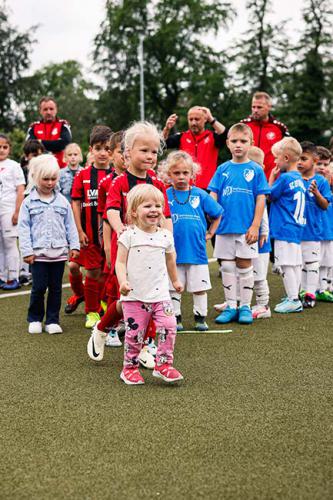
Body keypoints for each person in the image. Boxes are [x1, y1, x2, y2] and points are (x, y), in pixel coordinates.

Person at [87, 121, 172, 368]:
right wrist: (121, 229)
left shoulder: (157, 182)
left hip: (153, 250)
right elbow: (111, 210)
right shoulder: (120, 182)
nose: (149, 156)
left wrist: (169, 240)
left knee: (154, 295)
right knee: (126, 301)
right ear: (127, 153)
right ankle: (101, 329)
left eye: (154, 151)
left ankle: (146, 345)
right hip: (127, 249)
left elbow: (165, 215)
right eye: (143, 150)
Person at [116, 184, 184, 385]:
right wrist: (123, 282)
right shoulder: (128, 235)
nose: (154, 210)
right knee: (135, 334)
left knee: (169, 326)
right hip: (134, 296)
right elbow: (120, 262)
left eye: (158, 205)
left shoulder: (165, 235)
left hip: (161, 294)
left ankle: (163, 365)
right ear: (134, 211)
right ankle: (129, 368)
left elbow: (171, 260)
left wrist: (175, 280)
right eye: (148, 206)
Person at [208, 123, 270, 325]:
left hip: (246, 228)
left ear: (250, 143)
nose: (238, 145)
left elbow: (261, 199)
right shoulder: (222, 169)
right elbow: (213, 193)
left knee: (244, 265)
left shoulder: (256, 170)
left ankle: (245, 306)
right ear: (227, 143)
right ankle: (231, 305)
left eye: (243, 141)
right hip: (225, 228)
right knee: (226, 266)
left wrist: (255, 225)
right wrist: (211, 212)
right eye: (234, 141)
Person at [18, 155, 79, 334]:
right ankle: (35, 318)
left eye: (54, 178)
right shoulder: (28, 202)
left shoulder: (62, 202)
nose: (50, 182)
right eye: (46, 179)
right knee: (38, 288)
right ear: (35, 177)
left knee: (56, 288)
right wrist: (27, 251)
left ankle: (52, 320)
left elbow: (70, 225)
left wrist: (74, 246)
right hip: (38, 254)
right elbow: (23, 228)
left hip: (59, 253)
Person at [165, 151, 222, 331]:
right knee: (174, 287)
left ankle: (200, 318)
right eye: (176, 173)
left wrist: (211, 232)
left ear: (192, 174)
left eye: (185, 173)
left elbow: (218, 213)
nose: (181, 177)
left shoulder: (200, 194)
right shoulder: (165, 194)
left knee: (199, 287)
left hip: (196, 250)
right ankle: (176, 318)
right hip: (173, 252)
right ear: (169, 174)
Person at [71, 125, 113, 328]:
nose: (103, 153)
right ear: (90, 150)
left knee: (111, 272)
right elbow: (76, 202)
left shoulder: (117, 175)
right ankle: (92, 312)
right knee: (93, 272)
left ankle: (105, 302)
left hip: (112, 235)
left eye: (107, 148)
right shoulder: (83, 175)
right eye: (98, 148)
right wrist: (79, 230)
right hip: (90, 235)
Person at [268, 137, 306, 314]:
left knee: (286, 265)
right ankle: (294, 295)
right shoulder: (299, 178)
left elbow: (269, 195)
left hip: (284, 227)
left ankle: (293, 299)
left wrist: (271, 178)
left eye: (276, 158)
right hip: (296, 228)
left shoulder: (284, 179)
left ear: (285, 158)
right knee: (295, 264)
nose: (274, 161)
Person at [298, 142, 331, 308]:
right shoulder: (293, 178)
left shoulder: (321, 181)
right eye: (298, 158)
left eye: (304, 158)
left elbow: (325, 205)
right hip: (295, 231)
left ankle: (311, 293)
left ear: (314, 160)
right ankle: (299, 292)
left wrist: (316, 192)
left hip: (313, 230)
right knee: (298, 263)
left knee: (312, 263)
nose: (299, 162)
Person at [162, 106, 226, 189]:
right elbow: (161, 145)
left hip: (208, 188)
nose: (193, 123)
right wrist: (167, 129)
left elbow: (225, 135)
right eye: (191, 119)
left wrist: (211, 119)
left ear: (205, 120)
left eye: (197, 119)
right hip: (185, 187)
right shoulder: (182, 137)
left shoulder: (212, 137)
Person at [241, 91, 289, 180]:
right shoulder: (243, 125)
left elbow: (289, 153)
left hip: (271, 178)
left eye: (259, 107)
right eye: (253, 107)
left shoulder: (280, 128)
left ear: (269, 107)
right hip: (246, 176)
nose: (255, 110)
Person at [0, 134, 25, 290]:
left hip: (8, 210)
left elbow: (20, 189)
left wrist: (17, 211)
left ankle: (13, 277)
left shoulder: (14, 165)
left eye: (5, 147)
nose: (1, 150)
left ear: (9, 148)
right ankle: (2, 277)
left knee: (9, 243)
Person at [26, 96, 72, 168]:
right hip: (38, 168)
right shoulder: (34, 127)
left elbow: (65, 144)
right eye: (45, 109)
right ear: (40, 111)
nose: (48, 112)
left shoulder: (63, 125)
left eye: (51, 109)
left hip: (60, 168)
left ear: (56, 110)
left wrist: (40, 142)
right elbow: (30, 147)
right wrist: (55, 144)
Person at [314, 146, 333, 301]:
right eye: (319, 163)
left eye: (325, 164)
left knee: (326, 262)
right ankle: (307, 289)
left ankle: (322, 288)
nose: (322, 168)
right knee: (311, 261)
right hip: (312, 231)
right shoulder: (307, 182)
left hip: (328, 229)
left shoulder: (329, 183)